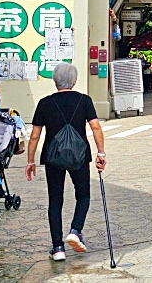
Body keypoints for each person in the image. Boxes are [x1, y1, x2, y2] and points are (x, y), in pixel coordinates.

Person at [26, 63, 107, 262]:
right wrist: (101, 153)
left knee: (55, 200)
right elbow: (96, 127)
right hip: (79, 156)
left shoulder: (45, 103)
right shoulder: (84, 100)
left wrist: (30, 161)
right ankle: (75, 230)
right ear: (75, 81)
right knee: (83, 195)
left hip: (53, 157)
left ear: (55, 81)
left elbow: (35, 135)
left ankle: (58, 247)